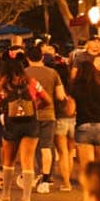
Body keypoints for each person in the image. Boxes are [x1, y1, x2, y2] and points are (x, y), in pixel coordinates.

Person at [0, 54, 44, 201]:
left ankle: (5, 196)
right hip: (31, 123)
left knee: (8, 161)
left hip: (11, 125)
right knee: (27, 160)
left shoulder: (1, 86)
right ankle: (26, 199)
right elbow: (48, 99)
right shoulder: (32, 82)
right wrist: (34, 107)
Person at [25, 44, 68, 192]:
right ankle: (45, 179)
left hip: (29, 115)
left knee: (29, 149)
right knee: (46, 147)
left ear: (27, 58)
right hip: (49, 115)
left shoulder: (24, 73)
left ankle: (31, 177)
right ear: (42, 57)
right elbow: (60, 96)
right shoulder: (53, 73)